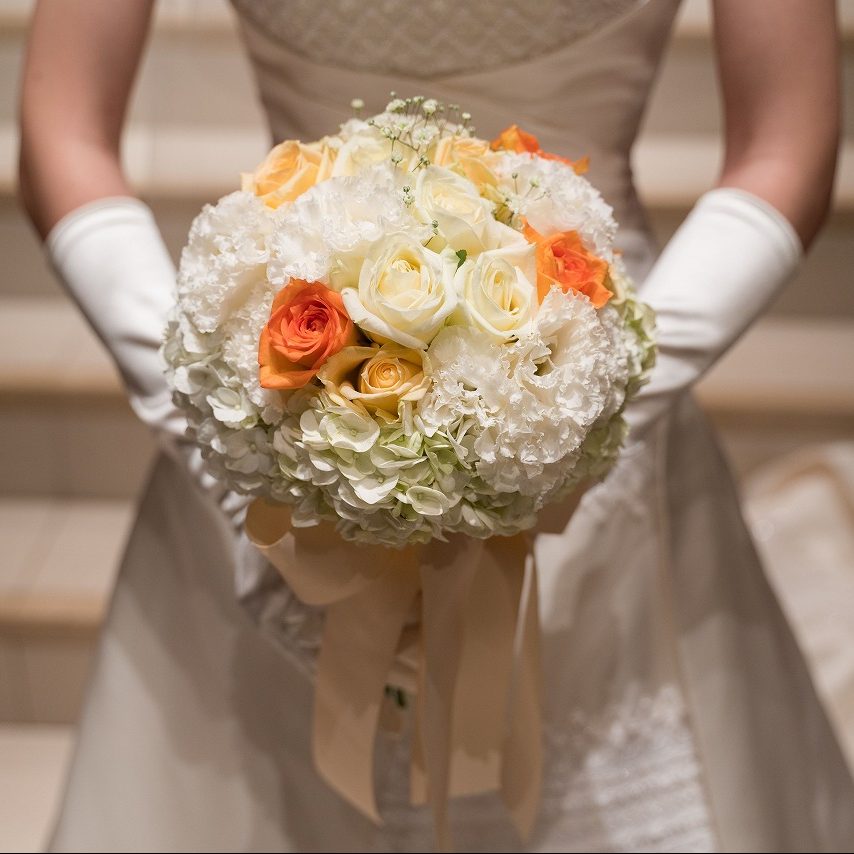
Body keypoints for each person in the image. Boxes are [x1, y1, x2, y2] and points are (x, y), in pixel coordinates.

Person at [19, 0, 854, 851]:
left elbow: (783, 147)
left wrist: (584, 415)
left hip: (588, 384)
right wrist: (220, 442)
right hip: (285, 406)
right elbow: (65, 134)